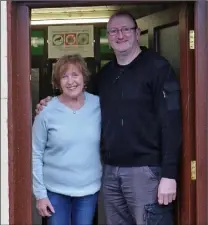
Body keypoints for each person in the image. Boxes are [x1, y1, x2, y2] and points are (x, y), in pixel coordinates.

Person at [36, 11, 182, 225]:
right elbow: (75, 98)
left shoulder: (157, 68)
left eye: (125, 29)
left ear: (137, 33)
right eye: (114, 31)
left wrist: (169, 174)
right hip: (111, 172)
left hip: (146, 172)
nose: (119, 35)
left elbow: (172, 123)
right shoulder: (105, 75)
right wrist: (48, 102)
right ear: (108, 36)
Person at [32, 54, 102, 225]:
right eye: (64, 76)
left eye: (75, 74)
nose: (70, 81)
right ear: (57, 83)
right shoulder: (46, 111)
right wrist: (40, 194)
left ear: (84, 77)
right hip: (55, 191)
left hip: (88, 190)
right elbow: (36, 154)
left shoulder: (99, 104)